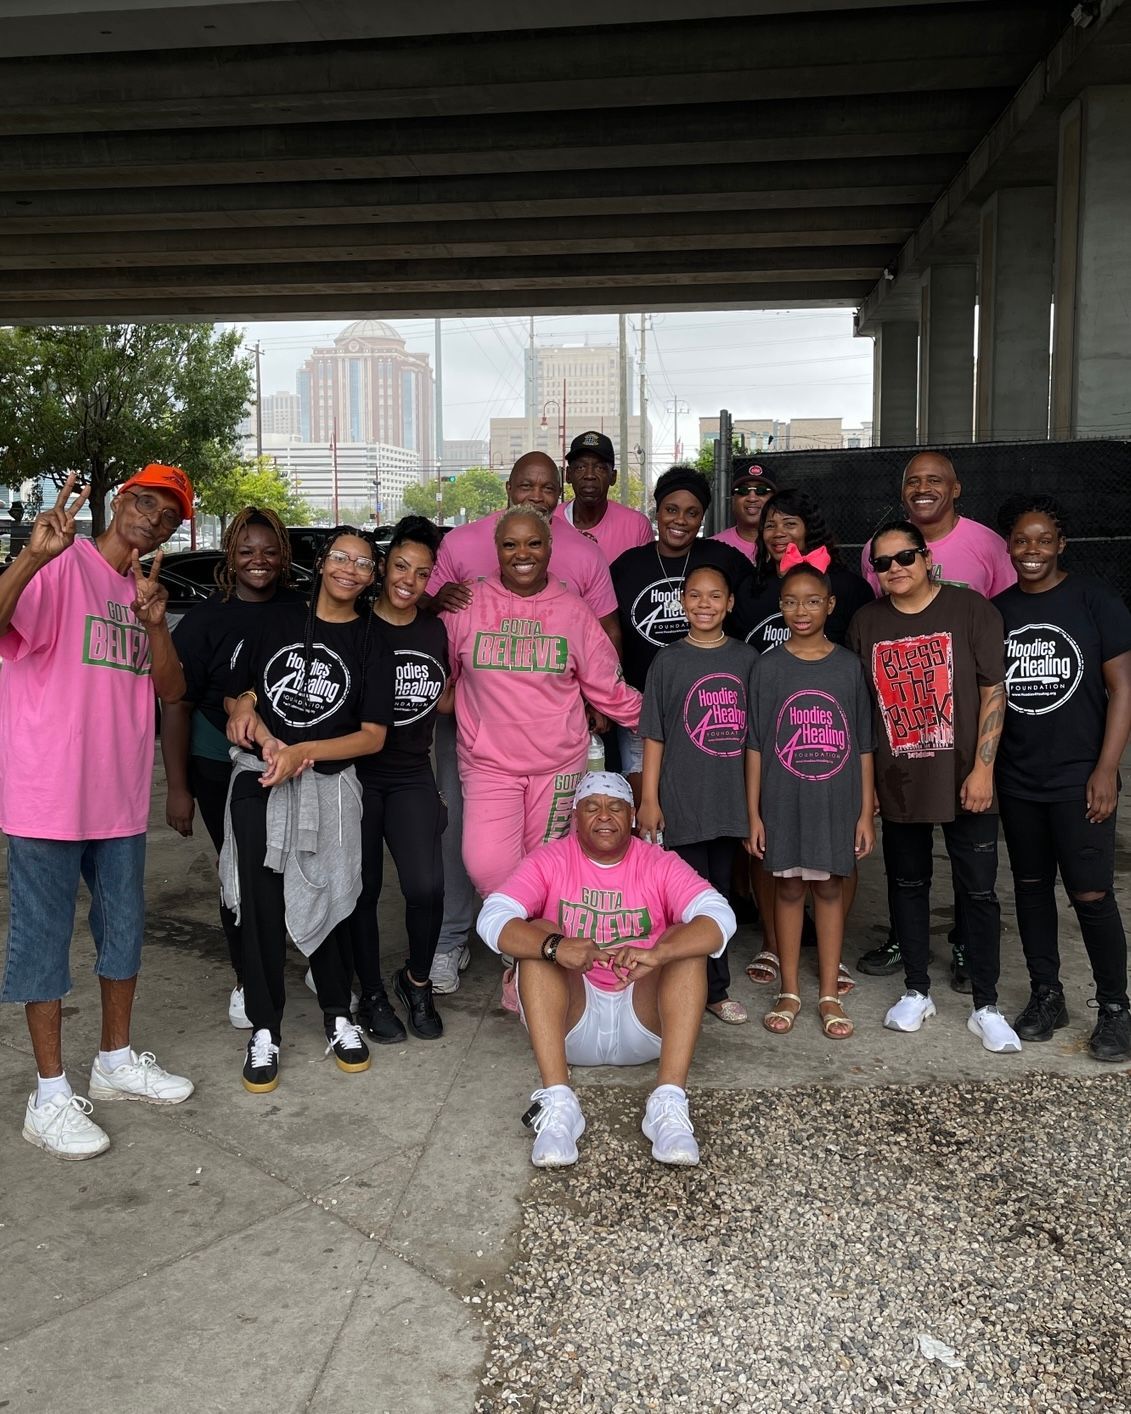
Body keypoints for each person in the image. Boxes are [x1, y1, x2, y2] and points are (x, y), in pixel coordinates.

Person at [0, 466, 196, 1161]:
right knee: (43, 941)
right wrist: (30, 558)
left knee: (123, 932)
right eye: (144, 502)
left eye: (167, 517)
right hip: (47, 792)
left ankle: (114, 1060)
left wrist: (155, 625)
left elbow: (171, 690)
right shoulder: (61, 561)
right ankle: (49, 1095)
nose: (152, 519)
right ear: (119, 503)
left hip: (117, 796)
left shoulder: (142, 592)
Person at [426, 451, 620, 996]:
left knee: (544, 859)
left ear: (558, 495)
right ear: (508, 488)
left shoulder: (582, 558)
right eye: (525, 486)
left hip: (554, 746)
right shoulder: (462, 547)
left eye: (546, 487)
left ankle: (526, 960)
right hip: (482, 741)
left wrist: (607, 703)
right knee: (473, 849)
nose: (536, 495)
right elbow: (425, 619)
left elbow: (605, 635)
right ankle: (460, 938)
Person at [476, 772, 737, 1168]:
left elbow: (719, 916)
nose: (604, 816)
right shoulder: (550, 859)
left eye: (615, 807)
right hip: (570, 1024)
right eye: (591, 807)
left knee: (686, 941)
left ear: (631, 817)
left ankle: (667, 1103)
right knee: (539, 935)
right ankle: (560, 1105)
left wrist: (660, 953)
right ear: (575, 816)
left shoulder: (658, 861)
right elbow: (493, 917)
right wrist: (557, 947)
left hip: (644, 1020)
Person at [221, 527, 395, 1094]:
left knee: (331, 898)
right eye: (340, 557)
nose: (349, 568)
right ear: (321, 563)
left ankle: (338, 1015)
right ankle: (264, 1028)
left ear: (372, 578)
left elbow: (372, 737)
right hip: (260, 779)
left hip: (329, 789)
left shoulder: (373, 641)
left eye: (363, 563)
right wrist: (259, 727)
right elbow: (237, 692)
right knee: (260, 907)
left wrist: (304, 752)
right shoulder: (277, 620)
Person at [847, 521, 1021, 1053]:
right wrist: (869, 787)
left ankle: (986, 1005)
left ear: (926, 558)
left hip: (966, 776)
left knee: (979, 890)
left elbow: (994, 690)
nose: (894, 569)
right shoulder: (867, 622)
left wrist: (983, 770)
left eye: (905, 557)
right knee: (907, 884)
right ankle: (916, 990)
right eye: (882, 563)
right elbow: (863, 712)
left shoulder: (971, 609)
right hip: (900, 779)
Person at [441, 507, 642, 899]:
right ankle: (518, 934)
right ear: (496, 549)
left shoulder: (574, 611)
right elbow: (440, 679)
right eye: (510, 545)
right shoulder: (466, 606)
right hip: (489, 765)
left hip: (557, 766)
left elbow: (609, 687)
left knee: (547, 870)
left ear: (550, 548)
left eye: (533, 543)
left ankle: (534, 940)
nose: (522, 554)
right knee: (487, 866)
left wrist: (663, 722)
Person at [993, 495, 1131, 1062]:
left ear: (1061, 544)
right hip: (1019, 778)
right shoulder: (998, 611)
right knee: (1030, 888)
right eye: (1022, 540)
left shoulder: (1096, 601)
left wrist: (1107, 769)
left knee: (1091, 893)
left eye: (1044, 539)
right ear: (1008, 546)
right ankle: (1047, 994)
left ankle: (1115, 1007)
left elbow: (1122, 689)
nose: (1032, 550)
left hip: (1080, 778)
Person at [162, 507, 304, 1030]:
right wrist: (178, 787)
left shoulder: (302, 610)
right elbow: (176, 705)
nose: (258, 560)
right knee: (240, 870)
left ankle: (319, 956)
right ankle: (247, 977)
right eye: (246, 551)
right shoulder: (206, 619)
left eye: (269, 551)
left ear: (283, 555)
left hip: (292, 757)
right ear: (230, 556)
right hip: (218, 763)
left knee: (301, 861)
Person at [731, 490, 873, 988]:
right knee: (783, 877)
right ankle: (780, 962)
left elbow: (862, 741)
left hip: (834, 781)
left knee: (832, 878)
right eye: (791, 602)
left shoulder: (848, 656)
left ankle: (830, 974)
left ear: (829, 604)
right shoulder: (763, 649)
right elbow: (754, 742)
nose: (801, 610)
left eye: (812, 601)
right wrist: (752, 812)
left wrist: (866, 808)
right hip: (781, 779)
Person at [638, 563, 759, 1025]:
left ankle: (713, 989)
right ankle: (674, 988)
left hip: (729, 801)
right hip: (682, 800)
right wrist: (650, 799)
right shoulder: (668, 661)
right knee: (682, 898)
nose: (704, 604)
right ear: (682, 602)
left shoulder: (747, 660)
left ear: (730, 604)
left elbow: (757, 742)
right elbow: (654, 735)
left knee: (719, 897)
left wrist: (755, 806)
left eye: (714, 596)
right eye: (694, 595)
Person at [352, 516, 452, 1046]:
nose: (409, 580)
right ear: (383, 568)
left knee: (426, 887)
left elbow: (446, 694)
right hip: (357, 776)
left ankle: (415, 981)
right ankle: (370, 992)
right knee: (363, 889)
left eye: (422, 572)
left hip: (412, 772)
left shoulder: (435, 629)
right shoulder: (357, 627)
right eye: (400, 567)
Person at [734, 488, 874, 655]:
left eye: (790, 524)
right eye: (770, 526)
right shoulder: (750, 587)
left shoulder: (849, 587)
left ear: (810, 528)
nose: (778, 533)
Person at [860, 450, 1015, 598]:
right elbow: (876, 608)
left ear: (955, 489)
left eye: (934, 481)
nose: (922, 489)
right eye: (913, 482)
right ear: (902, 492)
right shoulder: (878, 548)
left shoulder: (991, 545)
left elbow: (1005, 608)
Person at [555, 430, 653, 566]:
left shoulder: (637, 526)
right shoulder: (549, 522)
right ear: (568, 475)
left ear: (613, 477)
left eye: (600, 468)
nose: (589, 475)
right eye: (580, 467)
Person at [711, 464, 777, 563]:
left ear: (775, 499)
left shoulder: (787, 544)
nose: (752, 498)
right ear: (733, 500)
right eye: (743, 490)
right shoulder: (712, 547)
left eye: (761, 490)